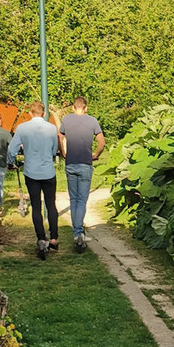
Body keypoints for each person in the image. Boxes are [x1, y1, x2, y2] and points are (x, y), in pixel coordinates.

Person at [8, 101, 61, 259]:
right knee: (51, 204)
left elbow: (12, 148)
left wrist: (10, 162)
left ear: (30, 113)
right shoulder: (51, 128)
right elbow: (54, 150)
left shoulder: (22, 128)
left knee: (36, 206)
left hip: (31, 173)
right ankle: (53, 237)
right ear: (44, 113)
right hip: (48, 172)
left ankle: (41, 239)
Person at [58, 96, 105, 252]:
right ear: (86, 108)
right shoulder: (92, 121)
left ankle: (77, 232)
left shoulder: (66, 120)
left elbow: (60, 135)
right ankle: (78, 233)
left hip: (70, 163)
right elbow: (101, 141)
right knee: (82, 200)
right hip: (85, 163)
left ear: (73, 107)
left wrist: (63, 151)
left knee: (73, 199)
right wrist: (96, 154)